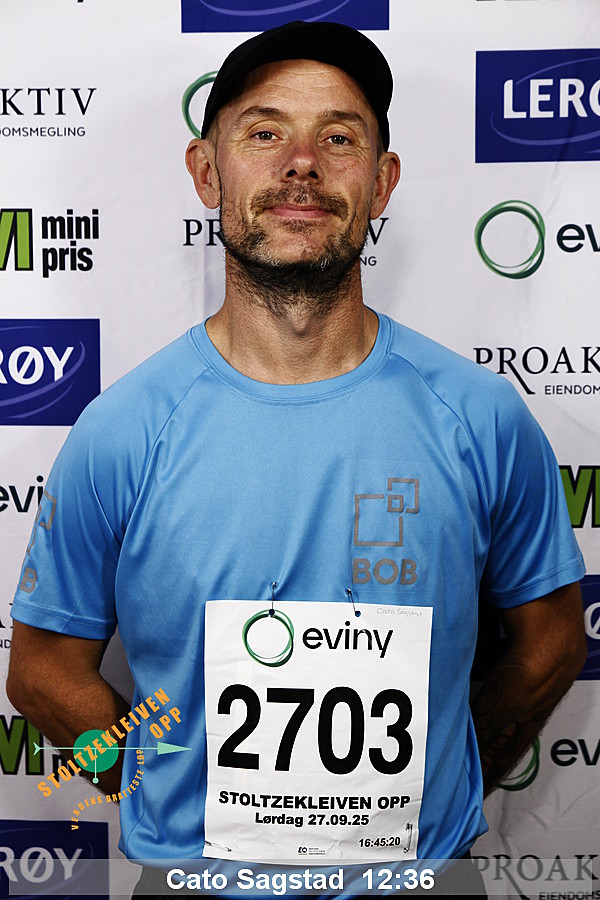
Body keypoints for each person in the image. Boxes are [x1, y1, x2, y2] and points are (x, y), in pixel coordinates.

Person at [7, 19, 587, 898]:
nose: (302, 164)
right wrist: (154, 784)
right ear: (208, 171)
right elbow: (43, 673)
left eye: (340, 138)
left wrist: (446, 777)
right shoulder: (122, 429)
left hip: (424, 880)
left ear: (381, 182)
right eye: (265, 132)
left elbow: (550, 641)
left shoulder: (481, 416)